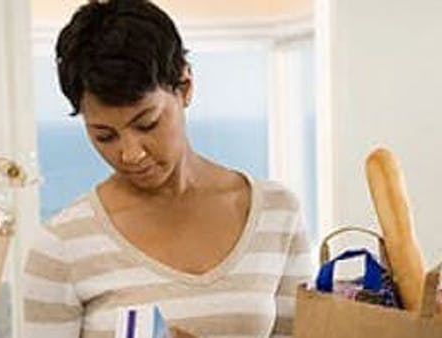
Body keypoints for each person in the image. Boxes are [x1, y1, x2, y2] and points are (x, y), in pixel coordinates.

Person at [22, 0, 314, 337]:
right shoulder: (61, 245)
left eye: (147, 123)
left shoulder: (277, 212)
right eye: (105, 135)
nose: (130, 154)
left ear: (185, 86)